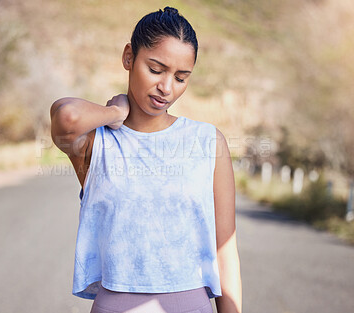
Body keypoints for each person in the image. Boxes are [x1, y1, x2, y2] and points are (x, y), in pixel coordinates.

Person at [50, 6, 242, 313]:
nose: (167, 88)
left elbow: (225, 248)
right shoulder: (97, 142)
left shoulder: (208, 141)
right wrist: (115, 113)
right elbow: (67, 116)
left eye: (181, 77)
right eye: (155, 70)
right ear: (129, 57)